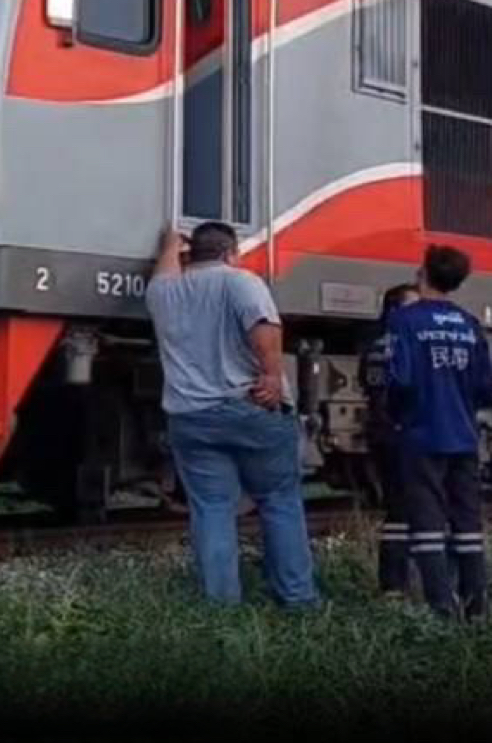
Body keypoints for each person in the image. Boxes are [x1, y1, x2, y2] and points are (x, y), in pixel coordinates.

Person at [144, 223, 319, 609]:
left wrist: (171, 245)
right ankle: (298, 600)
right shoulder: (242, 282)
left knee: (211, 510)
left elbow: (165, 269)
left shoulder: (162, 292)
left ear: (191, 255)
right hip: (250, 409)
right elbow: (264, 330)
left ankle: (221, 607)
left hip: (191, 419)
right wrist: (272, 376)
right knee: (278, 501)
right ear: (230, 252)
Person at [385, 244, 492, 621]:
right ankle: (477, 605)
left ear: (423, 273)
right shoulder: (469, 324)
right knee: (468, 522)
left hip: (421, 433)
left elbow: (397, 379)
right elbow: (486, 386)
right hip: (464, 436)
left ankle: (441, 609)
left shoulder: (405, 321)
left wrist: (398, 416)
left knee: (427, 521)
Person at [360, 282, 422, 597]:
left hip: (382, 434)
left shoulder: (374, 345)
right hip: (410, 435)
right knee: (422, 509)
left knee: (397, 513)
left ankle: (393, 584)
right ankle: (421, 583)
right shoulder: (410, 347)